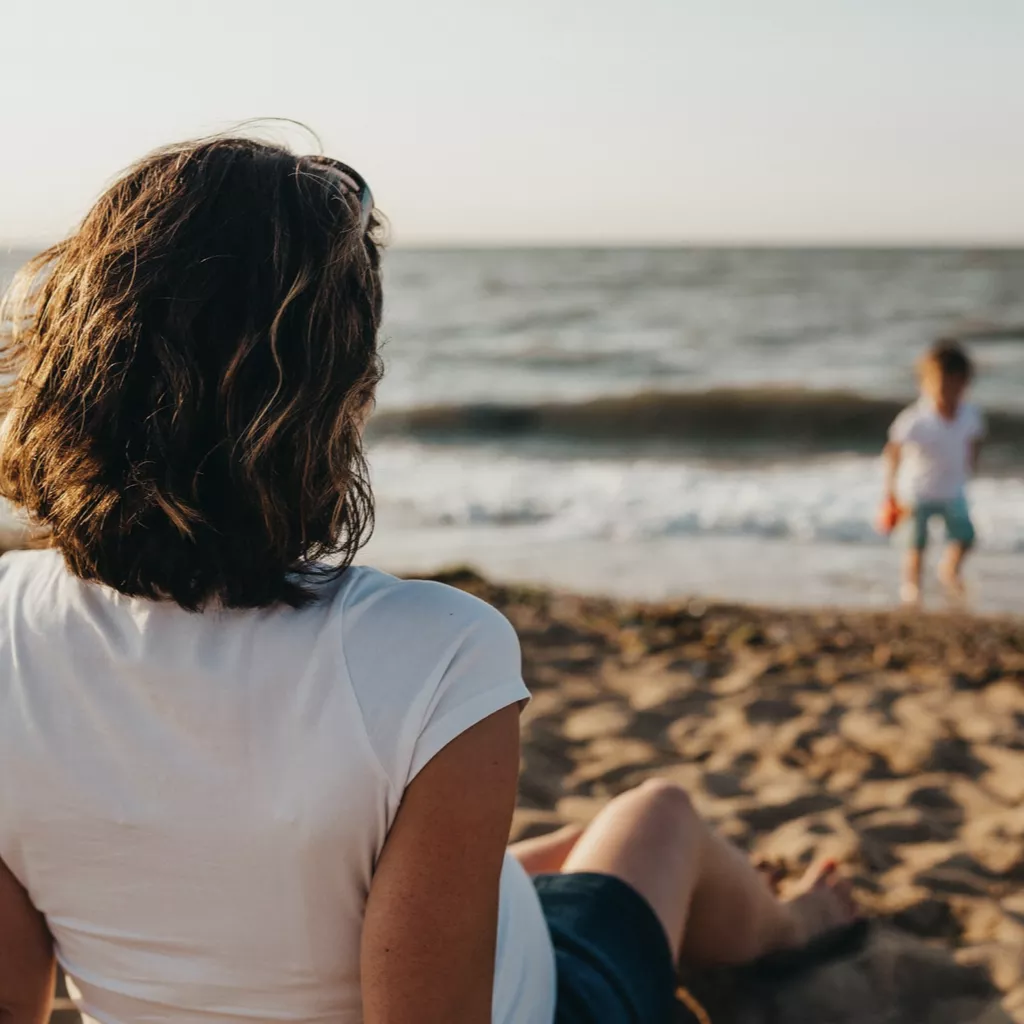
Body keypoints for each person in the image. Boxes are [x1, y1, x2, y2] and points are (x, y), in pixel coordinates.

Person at [0, 135, 856, 1024]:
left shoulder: (6, 628)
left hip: (320, 926)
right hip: (555, 1000)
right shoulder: (437, 652)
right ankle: (799, 930)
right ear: (338, 396)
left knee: (541, 856)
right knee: (661, 818)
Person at [883, 340, 985, 607]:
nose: (947, 391)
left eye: (955, 385)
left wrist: (969, 466)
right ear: (924, 383)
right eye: (940, 384)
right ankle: (912, 588)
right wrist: (890, 491)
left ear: (964, 384)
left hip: (953, 489)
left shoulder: (970, 414)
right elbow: (893, 450)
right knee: (916, 544)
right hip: (917, 490)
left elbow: (974, 440)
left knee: (966, 537)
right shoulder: (916, 418)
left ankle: (949, 569)